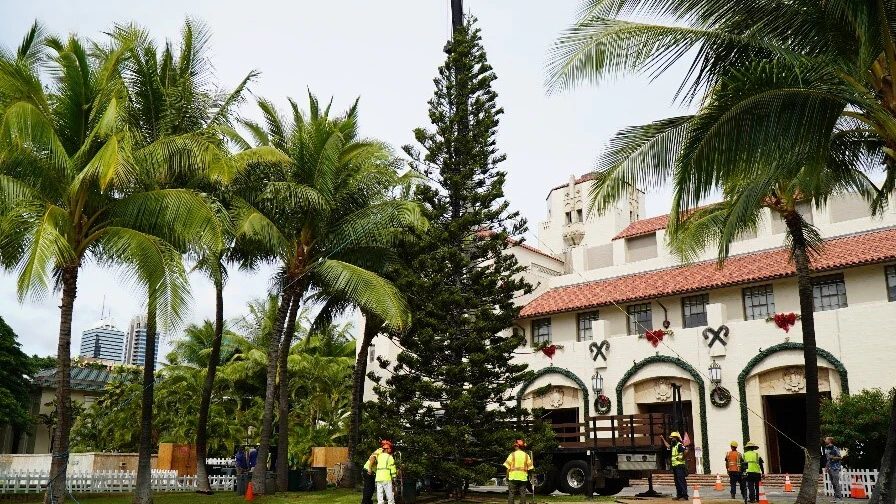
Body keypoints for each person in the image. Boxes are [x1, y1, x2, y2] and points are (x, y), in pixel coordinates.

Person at [503, 439, 533, 504]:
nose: (514, 447)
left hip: (513, 478)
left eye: (515, 446)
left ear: (517, 446)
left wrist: (507, 477)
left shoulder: (512, 455)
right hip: (523, 478)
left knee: (511, 493)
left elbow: (507, 467)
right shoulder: (526, 456)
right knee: (522, 494)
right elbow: (530, 468)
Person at [662, 432, 688, 501]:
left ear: (676, 438)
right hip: (675, 466)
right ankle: (679, 495)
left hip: (680, 466)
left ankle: (685, 496)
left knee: (681, 481)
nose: (671, 439)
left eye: (672, 438)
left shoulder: (679, 445)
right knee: (677, 482)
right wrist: (663, 439)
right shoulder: (673, 446)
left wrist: (682, 458)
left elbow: (686, 451)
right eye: (670, 438)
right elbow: (667, 446)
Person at [374, 440, 397, 504]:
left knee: (380, 494)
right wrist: (394, 477)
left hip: (378, 477)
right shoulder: (389, 457)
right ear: (388, 449)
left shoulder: (379, 456)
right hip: (386, 478)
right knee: (389, 494)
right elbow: (392, 468)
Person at [824, 436, 844, 503]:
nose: (825, 440)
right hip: (830, 467)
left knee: (836, 482)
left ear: (829, 440)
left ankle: (839, 498)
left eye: (826, 439)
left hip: (835, 468)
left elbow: (839, 457)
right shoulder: (827, 449)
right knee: (833, 483)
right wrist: (826, 467)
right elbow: (828, 459)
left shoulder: (835, 448)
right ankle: (836, 497)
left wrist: (833, 458)